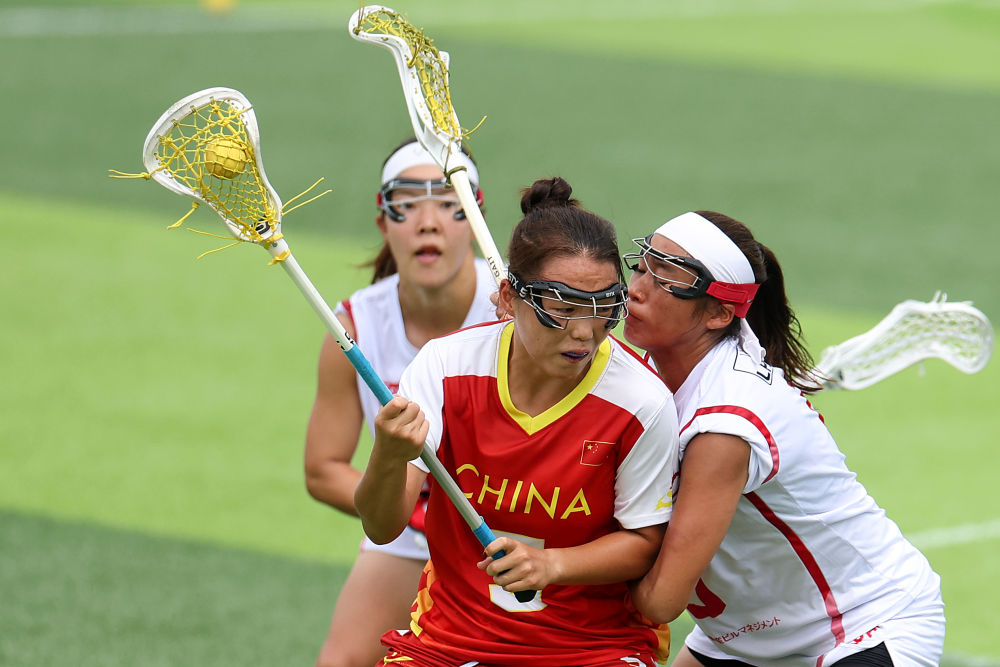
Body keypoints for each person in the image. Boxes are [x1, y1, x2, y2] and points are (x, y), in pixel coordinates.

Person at [354, 177, 681, 666]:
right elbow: (383, 527)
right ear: (508, 298)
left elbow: (644, 544)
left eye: (603, 309)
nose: (584, 332)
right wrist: (387, 454)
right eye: (562, 309)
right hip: (449, 641)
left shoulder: (641, 401)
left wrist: (551, 564)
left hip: (593, 649)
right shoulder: (445, 366)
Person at [623, 211, 945, 666]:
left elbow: (660, 601)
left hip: (860, 625)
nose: (637, 289)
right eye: (641, 267)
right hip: (747, 635)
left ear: (719, 313)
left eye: (668, 279)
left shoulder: (725, 424)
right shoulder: (647, 378)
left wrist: (561, 563)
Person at [304, 138, 497, 667]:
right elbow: (323, 469)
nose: (427, 222)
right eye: (406, 203)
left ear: (475, 219)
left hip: (513, 533)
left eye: (448, 202)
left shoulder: (516, 316)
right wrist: (408, 509)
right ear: (382, 222)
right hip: (411, 536)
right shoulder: (353, 328)